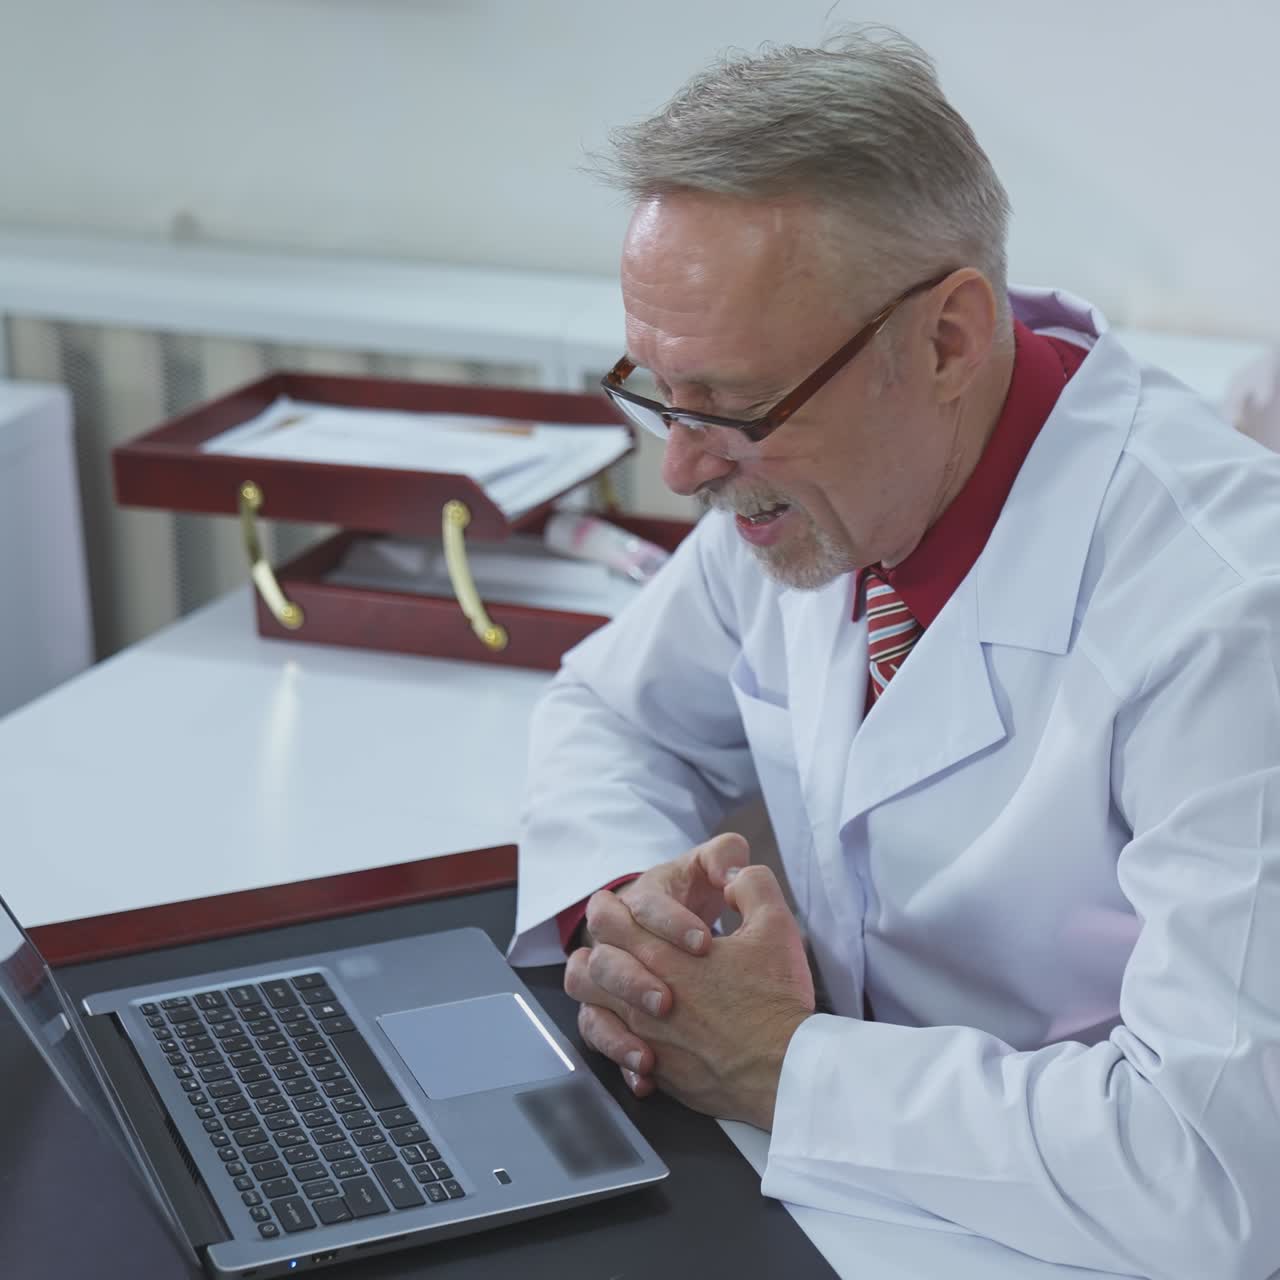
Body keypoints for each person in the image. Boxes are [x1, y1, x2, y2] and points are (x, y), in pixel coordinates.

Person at [507, 29, 1280, 1280]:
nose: (681, 467)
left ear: (945, 341)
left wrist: (782, 1062)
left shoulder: (1230, 616)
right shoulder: (816, 489)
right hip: (822, 1190)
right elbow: (611, 710)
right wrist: (646, 932)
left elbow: (1214, 1178)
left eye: (730, 405)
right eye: (658, 392)